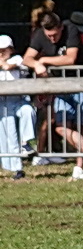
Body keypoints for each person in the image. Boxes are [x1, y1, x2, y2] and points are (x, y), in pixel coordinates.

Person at [23, 9, 83, 179]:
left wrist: (43, 60)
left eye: (55, 35)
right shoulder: (40, 34)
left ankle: (80, 166)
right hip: (60, 86)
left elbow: (70, 59)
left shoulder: (71, 29)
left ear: (61, 28)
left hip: (79, 82)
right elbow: (27, 58)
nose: (52, 39)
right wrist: (36, 65)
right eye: (48, 36)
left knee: (82, 127)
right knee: (60, 127)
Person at [0, 35, 32, 177]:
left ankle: (26, 142)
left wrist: (3, 62)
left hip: (17, 99)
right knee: (8, 135)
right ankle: (15, 168)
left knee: (28, 111)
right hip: (2, 102)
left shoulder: (17, 59)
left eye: (4, 50)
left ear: (11, 49)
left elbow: (8, 66)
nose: (1, 53)